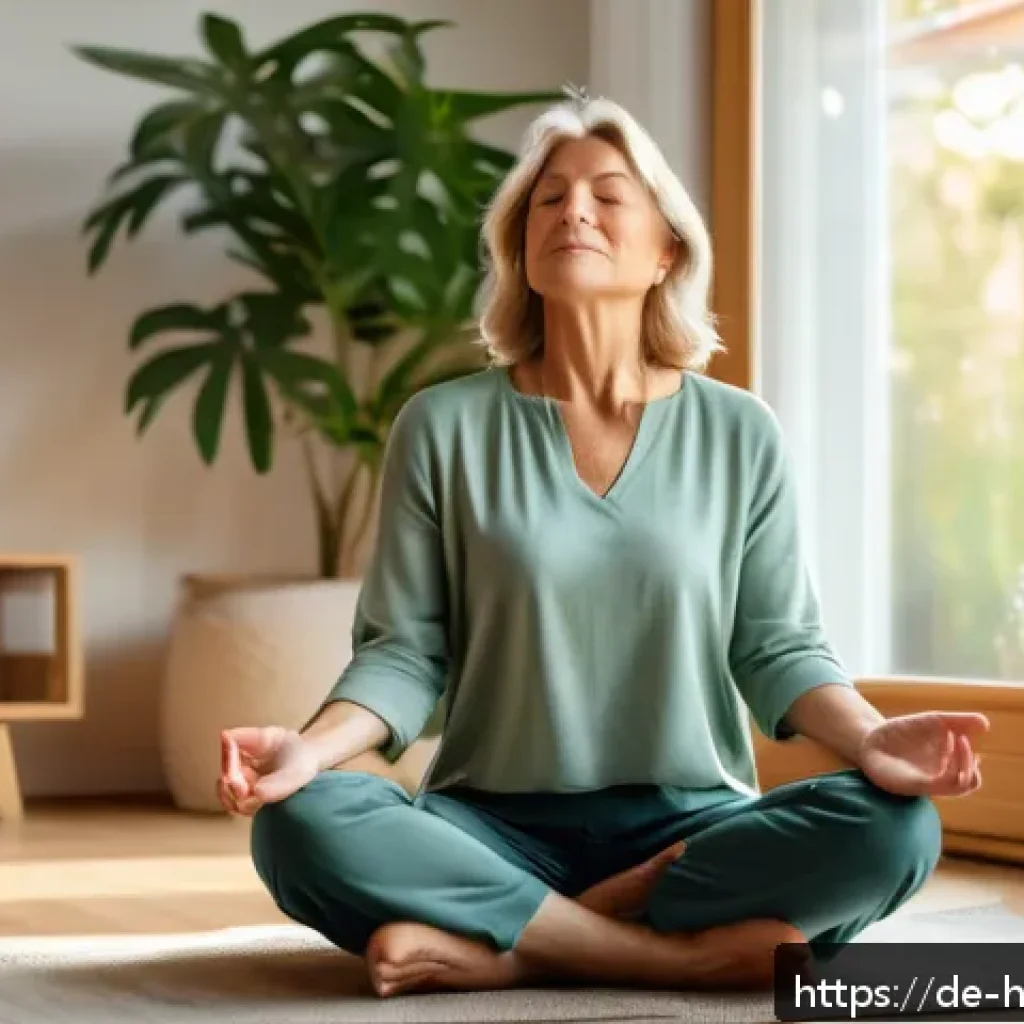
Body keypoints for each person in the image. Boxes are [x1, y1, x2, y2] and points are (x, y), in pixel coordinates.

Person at [217, 93, 988, 998]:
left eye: (608, 194)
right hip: (485, 826)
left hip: (691, 830)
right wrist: (309, 751)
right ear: (520, 248)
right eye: (548, 199)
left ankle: (510, 943)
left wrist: (874, 737)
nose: (573, 210)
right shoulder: (442, 427)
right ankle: (659, 954)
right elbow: (404, 653)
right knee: (300, 824)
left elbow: (777, 646)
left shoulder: (741, 433)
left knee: (898, 831)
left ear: (667, 248)